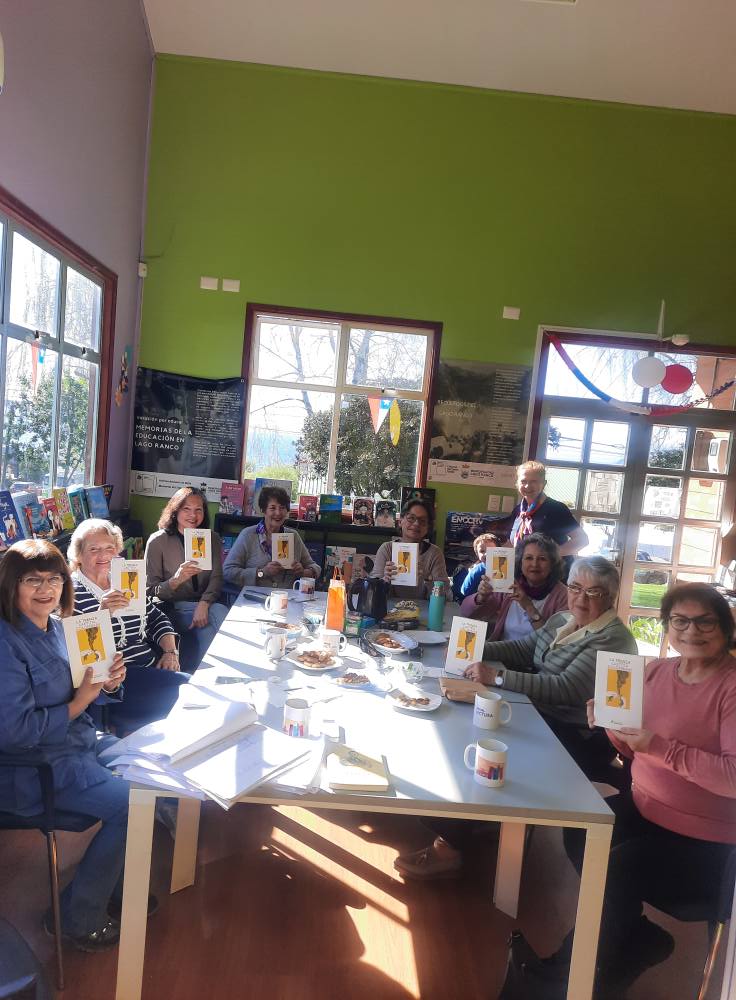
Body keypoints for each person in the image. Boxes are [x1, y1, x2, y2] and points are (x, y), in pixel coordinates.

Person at [524, 583, 736, 998]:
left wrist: (660, 747)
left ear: (726, 629)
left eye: (705, 622)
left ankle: (563, 978)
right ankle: (636, 939)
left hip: (710, 843)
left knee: (618, 870)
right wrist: (611, 726)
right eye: (680, 620)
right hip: (646, 808)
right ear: (667, 626)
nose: (691, 631)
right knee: (582, 830)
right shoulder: (655, 672)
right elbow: (629, 750)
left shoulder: (730, 688)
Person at [394, 557, 636, 881]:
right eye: (576, 588)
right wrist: (471, 648)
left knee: (486, 745)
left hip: (577, 732)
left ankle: (451, 843)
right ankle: (475, 820)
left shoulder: (613, 639)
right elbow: (522, 649)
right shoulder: (563, 619)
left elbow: (564, 688)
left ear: (610, 597)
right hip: (538, 712)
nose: (581, 598)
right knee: (462, 728)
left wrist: (497, 677)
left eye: (593, 592)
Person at [0, 539, 129, 951]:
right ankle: (79, 917)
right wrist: (79, 703)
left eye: (54, 579)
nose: (46, 589)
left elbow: (86, 689)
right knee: (133, 805)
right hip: (35, 767)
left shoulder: (59, 627)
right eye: (32, 580)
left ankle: (111, 883)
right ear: (10, 585)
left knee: (153, 768)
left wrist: (108, 682)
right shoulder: (5, 644)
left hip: (79, 741)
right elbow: (16, 732)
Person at [68, 518, 188, 728]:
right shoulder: (70, 593)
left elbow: (155, 617)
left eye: (109, 548)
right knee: (190, 692)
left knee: (195, 693)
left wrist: (170, 652)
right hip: (116, 682)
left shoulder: (124, 580)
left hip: (152, 665)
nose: (104, 555)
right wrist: (102, 614)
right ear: (78, 554)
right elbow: (82, 654)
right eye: (94, 549)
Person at [145, 487, 229, 671]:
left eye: (198, 509)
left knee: (212, 619)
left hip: (205, 605)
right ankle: (213, 674)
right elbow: (150, 591)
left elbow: (216, 578)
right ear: (175, 511)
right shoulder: (157, 541)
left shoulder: (212, 539)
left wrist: (204, 604)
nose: (193, 515)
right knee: (218, 614)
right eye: (186, 509)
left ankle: (202, 675)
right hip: (174, 607)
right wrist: (175, 580)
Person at [459, 533, 568, 641]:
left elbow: (556, 641)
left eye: (542, 559)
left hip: (536, 653)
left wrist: (528, 607)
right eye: (529, 558)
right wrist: (481, 597)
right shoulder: (509, 585)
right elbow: (466, 613)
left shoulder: (564, 595)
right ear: (520, 562)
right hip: (501, 650)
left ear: (552, 564)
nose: (535, 564)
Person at [223, 485, 320, 588]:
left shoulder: (293, 536)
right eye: (272, 508)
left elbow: (315, 567)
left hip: (287, 596)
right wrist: (262, 572)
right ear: (263, 510)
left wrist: (303, 572)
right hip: (255, 596)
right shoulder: (248, 535)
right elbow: (227, 572)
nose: (278, 513)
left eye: (282, 508)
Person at [371, 500, 449, 600]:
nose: (416, 523)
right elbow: (372, 592)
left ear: (428, 527)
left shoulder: (434, 553)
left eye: (422, 521)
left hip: (423, 609)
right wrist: (384, 580)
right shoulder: (387, 549)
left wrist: (428, 579)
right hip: (390, 608)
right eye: (411, 518)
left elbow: (447, 596)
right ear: (400, 521)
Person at [508, 461, 588, 558]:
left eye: (534, 481)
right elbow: (512, 543)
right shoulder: (518, 511)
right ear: (517, 483)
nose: (527, 486)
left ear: (544, 484)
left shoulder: (556, 509)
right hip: (523, 566)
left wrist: (550, 555)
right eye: (523, 481)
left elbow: (582, 540)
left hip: (554, 567)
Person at [458, 532, 501, 599]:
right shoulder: (477, 570)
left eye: (491, 550)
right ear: (477, 555)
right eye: (482, 551)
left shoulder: (505, 567)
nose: (486, 554)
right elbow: (464, 591)